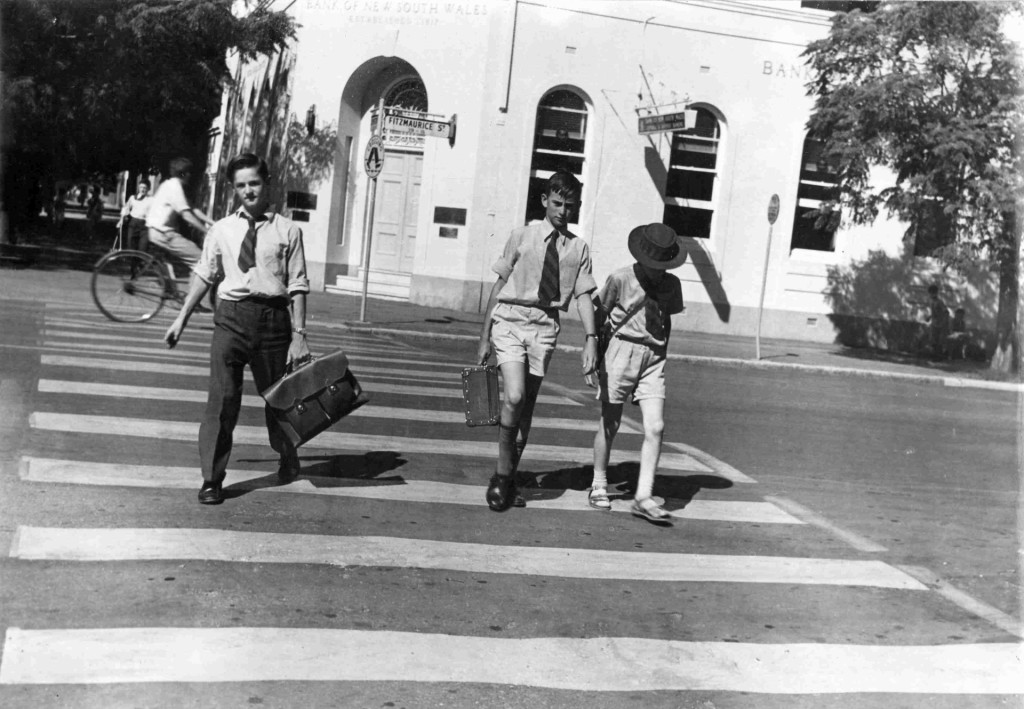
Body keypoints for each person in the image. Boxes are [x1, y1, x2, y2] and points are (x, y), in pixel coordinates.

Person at [164, 152, 311, 506]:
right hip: (230, 319)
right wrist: (181, 318)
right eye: (241, 185)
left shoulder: (288, 230)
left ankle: (287, 452)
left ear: (267, 183)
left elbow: (298, 285)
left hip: (274, 322)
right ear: (234, 189)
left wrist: (300, 335)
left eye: (254, 183)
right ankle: (212, 479)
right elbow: (205, 273)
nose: (248, 190)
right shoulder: (222, 229)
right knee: (222, 401)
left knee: (279, 399)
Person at [476, 170, 599, 511]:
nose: (562, 211)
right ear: (545, 200)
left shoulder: (578, 248)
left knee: (525, 407)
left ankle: (510, 477)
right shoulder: (522, 236)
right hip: (510, 321)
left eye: (569, 206)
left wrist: (591, 338)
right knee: (513, 395)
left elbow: (584, 295)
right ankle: (501, 478)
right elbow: (499, 287)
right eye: (557, 203)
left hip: (545, 329)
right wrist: (484, 336)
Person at [588, 223, 685, 524]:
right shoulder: (620, 278)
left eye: (663, 265)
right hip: (621, 351)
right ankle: (599, 483)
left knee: (655, 427)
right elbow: (599, 315)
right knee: (611, 422)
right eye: (653, 264)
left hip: (653, 359)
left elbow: (666, 320)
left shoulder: (672, 285)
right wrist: (593, 353)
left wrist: (660, 354)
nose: (658, 270)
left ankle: (643, 496)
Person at [146, 157, 215, 274]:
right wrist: (207, 231)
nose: (190, 176)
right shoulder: (175, 188)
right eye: (189, 173)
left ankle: (169, 291)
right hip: (163, 233)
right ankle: (195, 292)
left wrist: (213, 224)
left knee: (167, 264)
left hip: (156, 231)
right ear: (184, 174)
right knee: (201, 261)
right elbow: (187, 215)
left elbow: (193, 209)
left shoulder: (169, 184)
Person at [118, 181, 153, 252]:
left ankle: (140, 262)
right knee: (131, 247)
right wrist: (121, 220)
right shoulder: (133, 198)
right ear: (138, 188)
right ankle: (132, 262)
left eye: (145, 188)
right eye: (141, 187)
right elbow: (126, 209)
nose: (142, 189)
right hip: (133, 224)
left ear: (149, 189)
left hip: (145, 227)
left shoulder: (152, 200)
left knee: (142, 248)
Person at [927, 284, 950, 360]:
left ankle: (939, 357)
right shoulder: (931, 302)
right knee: (933, 340)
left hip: (940, 324)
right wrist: (929, 317)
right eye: (930, 293)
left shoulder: (939, 302)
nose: (931, 294)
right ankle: (933, 355)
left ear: (936, 293)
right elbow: (934, 312)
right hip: (934, 323)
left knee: (939, 341)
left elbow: (946, 312)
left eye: (933, 293)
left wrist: (945, 322)